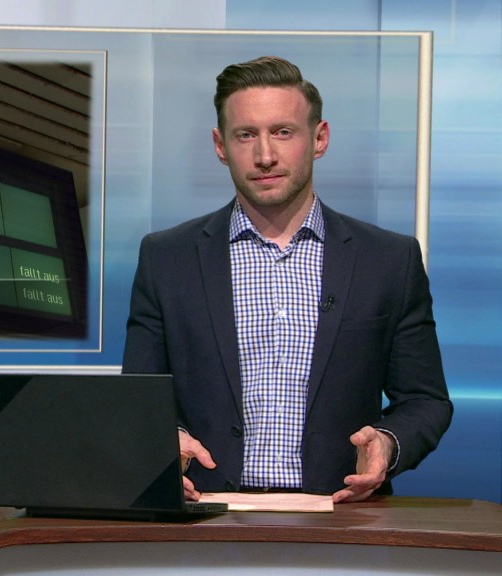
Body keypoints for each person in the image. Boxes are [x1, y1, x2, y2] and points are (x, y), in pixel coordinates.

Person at [122, 56, 452, 503]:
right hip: (204, 515)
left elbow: (425, 400)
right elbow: (138, 399)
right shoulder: (166, 259)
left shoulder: (389, 260)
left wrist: (387, 444)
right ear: (220, 145)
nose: (265, 156)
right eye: (246, 135)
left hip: (340, 517)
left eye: (282, 132)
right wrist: (163, 444)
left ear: (319, 138)